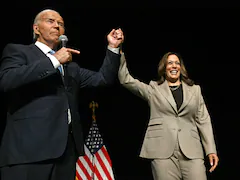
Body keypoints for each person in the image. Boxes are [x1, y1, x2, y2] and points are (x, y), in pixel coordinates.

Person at [0, 8, 124, 180]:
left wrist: (113, 48)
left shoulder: (70, 66)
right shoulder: (18, 51)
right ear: (36, 29)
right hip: (28, 152)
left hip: (65, 154)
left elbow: (103, 79)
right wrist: (54, 60)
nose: (57, 26)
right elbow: (8, 80)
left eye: (61, 24)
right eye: (50, 21)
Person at [118, 50, 219, 180]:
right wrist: (118, 53)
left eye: (177, 63)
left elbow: (204, 120)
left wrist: (210, 149)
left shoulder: (195, 90)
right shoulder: (154, 89)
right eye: (170, 63)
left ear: (180, 68)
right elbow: (125, 80)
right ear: (164, 68)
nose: (174, 66)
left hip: (191, 150)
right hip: (162, 151)